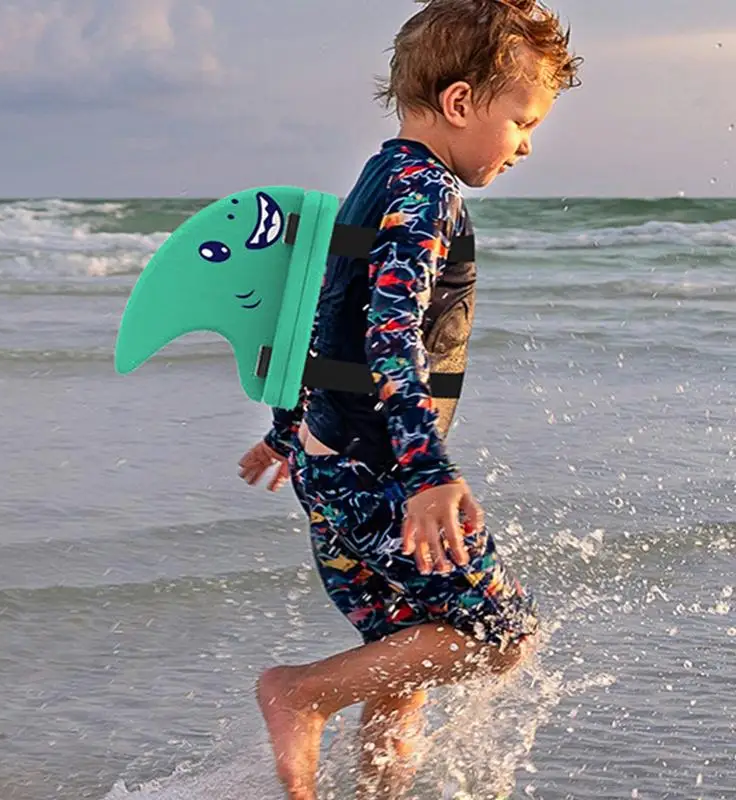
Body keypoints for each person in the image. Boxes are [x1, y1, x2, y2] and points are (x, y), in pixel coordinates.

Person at [237, 1, 581, 796]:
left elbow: (331, 317)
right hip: (383, 475)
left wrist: (290, 431)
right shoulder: (426, 193)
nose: (527, 144)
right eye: (522, 120)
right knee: (501, 636)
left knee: (403, 655)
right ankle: (299, 692)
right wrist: (426, 472)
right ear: (462, 103)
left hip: (334, 466)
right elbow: (389, 334)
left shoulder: (377, 176)